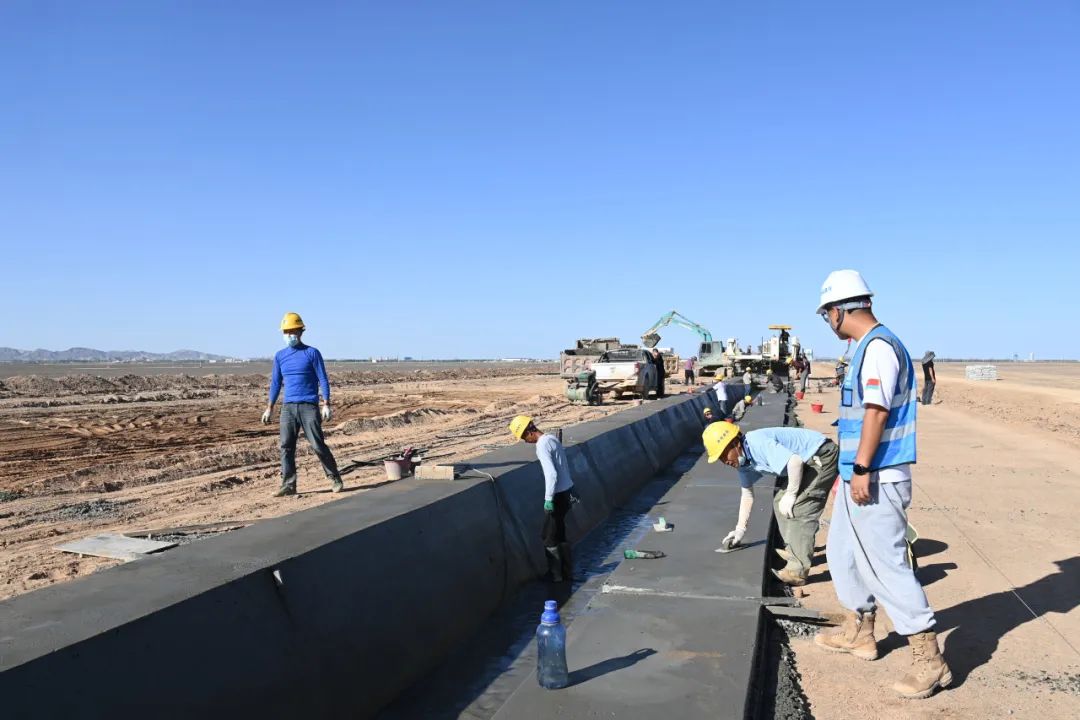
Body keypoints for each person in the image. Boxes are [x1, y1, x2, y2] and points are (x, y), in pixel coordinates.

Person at [813, 269, 950, 700]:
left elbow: (876, 412)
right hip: (858, 473)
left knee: (886, 565)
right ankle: (860, 629)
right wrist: (848, 473)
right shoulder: (862, 349)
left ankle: (929, 658)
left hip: (877, 475)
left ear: (839, 310)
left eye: (826, 314)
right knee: (842, 552)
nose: (827, 321)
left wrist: (862, 468)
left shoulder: (878, 349)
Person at [703, 421, 838, 586]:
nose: (725, 461)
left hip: (821, 455)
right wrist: (740, 529)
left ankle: (797, 572)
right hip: (806, 461)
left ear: (735, 443)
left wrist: (791, 493)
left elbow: (794, 462)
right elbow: (747, 494)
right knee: (779, 501)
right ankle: (795, 551)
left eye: (724, 455)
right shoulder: (743, 460)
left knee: (800, 508)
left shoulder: (757, 444)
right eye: (720, 459)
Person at [262, 312, 343, 497]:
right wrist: (269, 407)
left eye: (292, 331)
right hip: (288, 408)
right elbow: (276, 383)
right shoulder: (280, 356)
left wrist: (326, 403)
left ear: (300, 332)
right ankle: (289, 484)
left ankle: (335, 478)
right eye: (286, 332)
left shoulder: (312, 353)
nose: (289, 335)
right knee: (286, 446)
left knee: (317, 444)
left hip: (308, 406)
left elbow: (323, 378)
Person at [509, 415, 575, 582]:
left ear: (529, 431)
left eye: (524, 437)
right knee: (560, 533)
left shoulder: (542, 445)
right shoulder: (552, 439)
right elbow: (562, 467)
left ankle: (556, 576)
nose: (525, 441)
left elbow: (551, 474)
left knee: (548, 537)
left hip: (557, 496)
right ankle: (567, 573)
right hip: (567, 492)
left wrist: (548, 499)